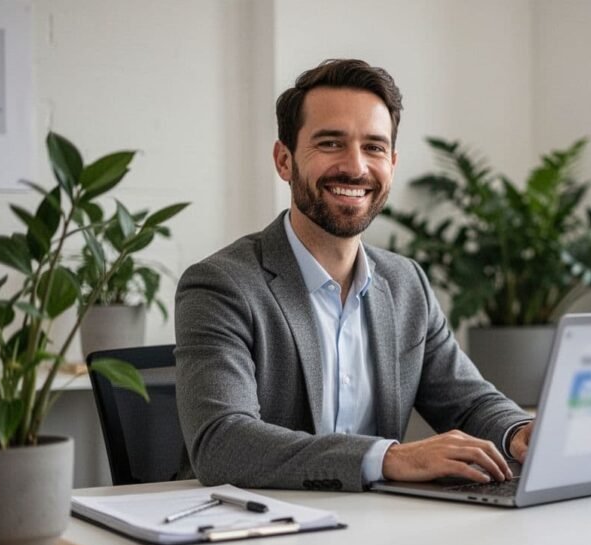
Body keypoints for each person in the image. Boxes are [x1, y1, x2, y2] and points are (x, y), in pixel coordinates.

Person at [174, 59, 534, 491]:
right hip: (263, 536)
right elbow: (223, 443)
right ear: (284, 160)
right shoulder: (222, 285)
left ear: (393, 164)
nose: (356, 167)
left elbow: (469, 403)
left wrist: (520, 434)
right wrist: (388, 458)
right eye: (330, 143)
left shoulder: (406, 284)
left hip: (378, 529)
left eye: (375, 147)